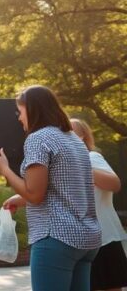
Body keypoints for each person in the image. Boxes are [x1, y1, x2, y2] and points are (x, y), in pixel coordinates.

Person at [0, 86, 101, 291]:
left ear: (32, 109)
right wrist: (19, 199)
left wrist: (4, 169)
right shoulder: (73, 139)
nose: (19, 118)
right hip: (86, 239)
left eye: (20, 111)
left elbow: (35, 194)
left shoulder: (39, 138)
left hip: (56, 237)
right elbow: (64, 187)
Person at [69, 118, 126, 291]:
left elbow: (114, 184)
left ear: (82, 136)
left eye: (69, 131)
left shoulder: (92, 157)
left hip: (104, 238)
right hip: (80, 241)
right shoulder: (62, 167)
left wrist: (81, 164)